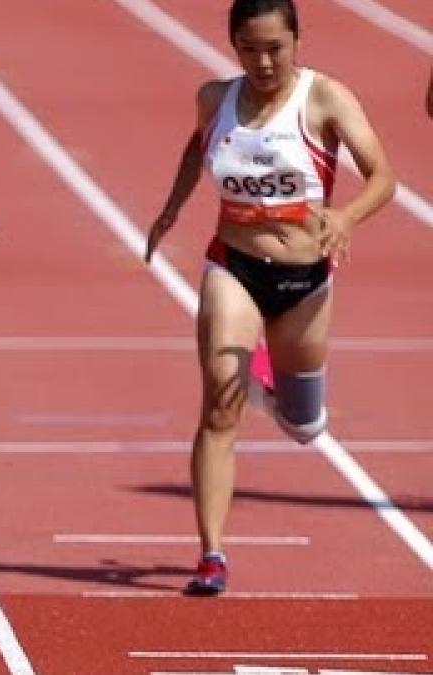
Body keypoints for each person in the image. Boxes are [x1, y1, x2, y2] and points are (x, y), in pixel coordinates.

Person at [145, 0, 394, 595]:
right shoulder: (215, 98)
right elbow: (195, 145)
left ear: (296, 42)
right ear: (233, 45)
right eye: (250, 48)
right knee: (218, 410)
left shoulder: (325, 98)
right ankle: (211, 554)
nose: (263, 61)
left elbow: (384, 176)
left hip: (305, 281)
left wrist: (347, 215)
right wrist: (172, 208)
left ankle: (275, 386)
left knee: (305, 424)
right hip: (233, 266)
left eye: (275, 48)